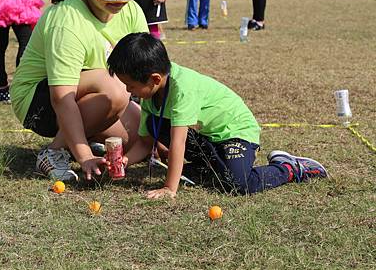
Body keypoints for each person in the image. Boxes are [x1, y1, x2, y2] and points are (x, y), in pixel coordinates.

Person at [107, 33, 329, 199]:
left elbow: (178, 143)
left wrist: (169, 188)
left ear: (155, 78)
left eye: (131, 85)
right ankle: (208, 168)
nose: (128, 91)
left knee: (237, 185)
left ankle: (288, 167)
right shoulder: (150, 94)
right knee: (158, 125)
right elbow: (146, 143)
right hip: (209, 136)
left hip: (236, 133)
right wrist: (124, 160)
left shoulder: (182, 88)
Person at [10, 0, 148, 182]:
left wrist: (158, 136)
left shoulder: (132, 12)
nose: (119, 1)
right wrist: (83, 156)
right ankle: (53, 153)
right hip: (39, 102)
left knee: (138, 140)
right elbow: (60, 97)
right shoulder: (67, 20)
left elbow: (147, 71)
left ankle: (84, 136)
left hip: (95, 93)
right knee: (114, 90)